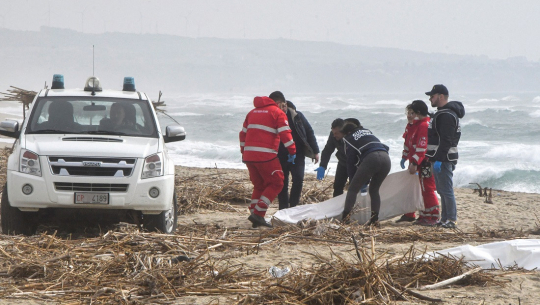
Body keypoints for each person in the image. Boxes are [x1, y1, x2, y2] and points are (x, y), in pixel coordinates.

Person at [239, 93, 297, 228]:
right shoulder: (277, 113)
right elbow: (286, 135)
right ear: (279, 103)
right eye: (284, 106)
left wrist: (244, 151)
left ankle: (254, 213)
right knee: (277, 182)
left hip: (249, 156)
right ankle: (259, 213)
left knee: (259, 185)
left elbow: (243, 134)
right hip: (266, 156)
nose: (285, 109)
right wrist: (292, 151)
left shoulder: (252, 112)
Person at [425, 85, 465, 229]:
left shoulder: (446, 115)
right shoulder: (441, 114)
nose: (430, 98)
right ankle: (444, 219)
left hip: (444, 158)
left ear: (441, 96)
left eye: (432, 96)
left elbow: (446, 140)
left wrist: (440, 159)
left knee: (446, 190)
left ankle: (451, 220)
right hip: (439, 158)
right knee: (441, 190)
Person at [340, 121, 391, 226]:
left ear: (347, 132)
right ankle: (374, 220)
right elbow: (385, 147)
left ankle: (345, 219)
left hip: (371, 158)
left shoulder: (348, 139)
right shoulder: (367, 132)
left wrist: (352, 179)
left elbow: (351, 162)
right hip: (386, 158)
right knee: (374, 190)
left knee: (353, 189)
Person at [397, 100, 440, 226]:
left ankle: (433, 216)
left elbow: (422, 147)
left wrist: (415, 162)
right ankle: (423, 215)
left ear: (418, 113)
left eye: (413, 112)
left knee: (427, 188)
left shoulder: (423, 126)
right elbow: (409, 143)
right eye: (408, 113)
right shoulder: (414, 125)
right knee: (419, 188)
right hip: (416, 161)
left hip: (424, 162)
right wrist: (405, 157)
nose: (410, 115)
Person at [276, 97, 320, 210]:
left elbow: (309, 132)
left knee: (298, 179)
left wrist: (315, 151)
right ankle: (283, 208)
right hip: (280, 154)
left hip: (298, 153)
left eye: (285, 106)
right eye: (282, 106)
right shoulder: (274, 117)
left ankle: (293, 206)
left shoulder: (298, 116)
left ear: (287, 105)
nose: (284, 108)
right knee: (282, 182)